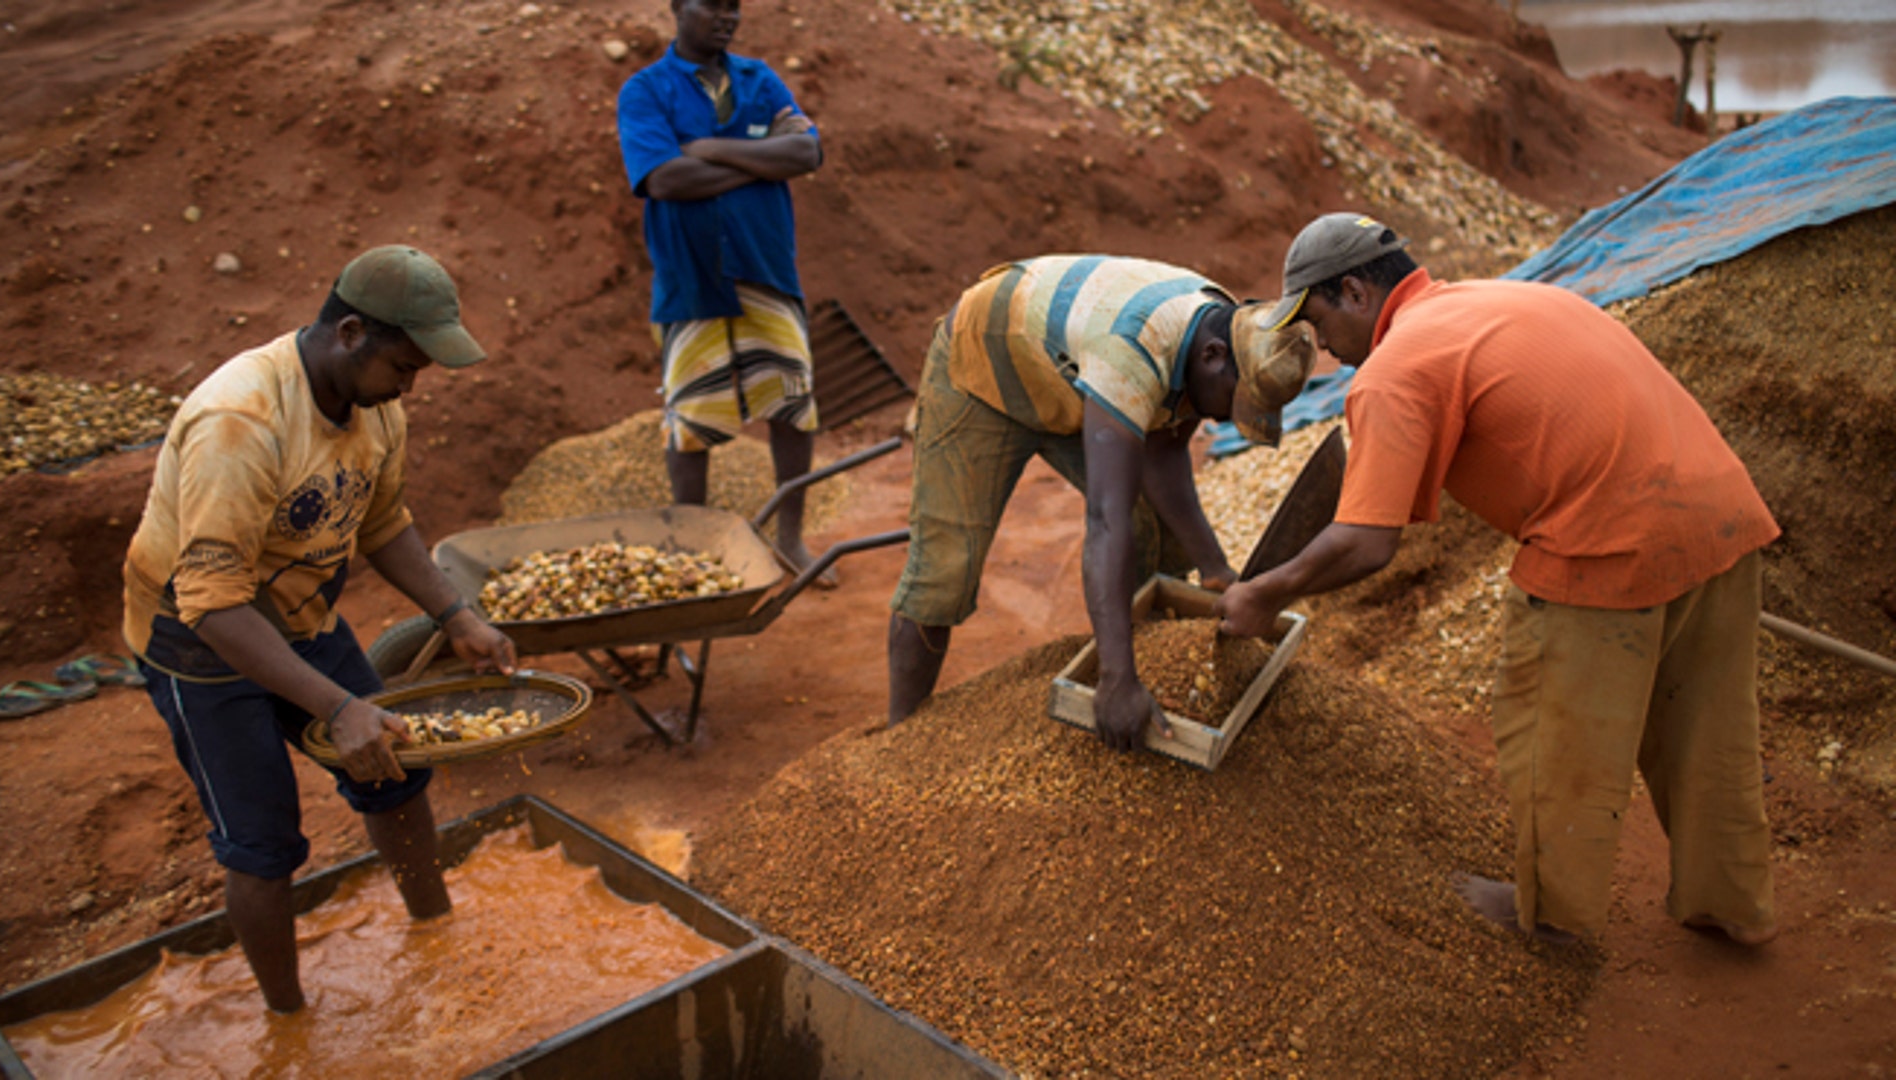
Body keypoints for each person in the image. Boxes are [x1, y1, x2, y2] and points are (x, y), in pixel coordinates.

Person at [1217, 212, 1779, 946]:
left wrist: (1264, 594)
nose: (1321, 347)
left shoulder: (1394, 369)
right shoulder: (1504, 299)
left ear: (1354, 291)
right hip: (1722, 515)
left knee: (1551, 729)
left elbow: (1365, 544)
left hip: (1606, 543)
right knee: (1707, 731)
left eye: (1318, 321)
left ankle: (1549, 912)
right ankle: (1730, 903)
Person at [122, 245, 519, 1013]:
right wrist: (338, 707)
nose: (410, 386)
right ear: (349, 333)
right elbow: (213, 604)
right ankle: (288, 1018)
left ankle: (435, 932)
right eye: (403, 366)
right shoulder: (240, 422)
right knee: (262, 843)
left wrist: (455, 612)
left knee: (394, 772)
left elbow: (383, 522)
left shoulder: (375, 410)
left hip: (301, 613)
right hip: (200, 642)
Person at [888, 255, 1315, 748]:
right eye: (1233, 403)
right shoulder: (1133, 349)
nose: (1222, 421)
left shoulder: (1223, 330)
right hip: (987, 371)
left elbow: (1166, 448)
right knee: (946, 568)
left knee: (1152, 533)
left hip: (1069, 377)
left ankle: (1147, 679)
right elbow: (1104, 521)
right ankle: (899, 737)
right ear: (1213, 356)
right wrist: (1115, 679)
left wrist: (1213, 566)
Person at [617, 0, 828, 576]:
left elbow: (807, 151)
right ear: (677, 8)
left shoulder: (760, 80)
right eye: (712, 5)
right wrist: (764, 163)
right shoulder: (646, 91)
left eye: (734, 7)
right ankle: (694, 549)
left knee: (790, 403)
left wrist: (707, 150)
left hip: (767, 270)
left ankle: (791, 538)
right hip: (691, 277)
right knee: (691, 418)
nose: (726, 17)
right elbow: (663, 178)